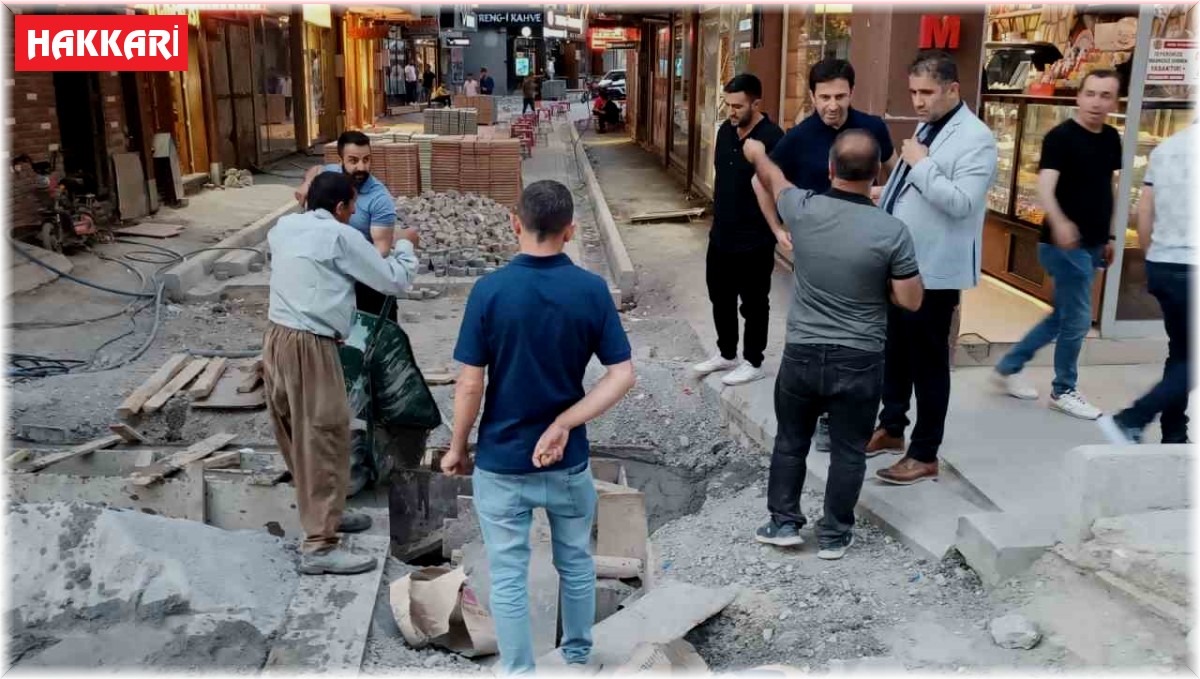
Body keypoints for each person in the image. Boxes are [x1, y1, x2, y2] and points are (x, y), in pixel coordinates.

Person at [441, 180, 635, 674]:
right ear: (571, 230)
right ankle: (577, 657)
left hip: (502, 462)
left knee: (508, 574)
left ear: (514, 223)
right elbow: (622, 375)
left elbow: (470, 384)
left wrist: (458, 447)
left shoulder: (489, 292)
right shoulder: (591, 291)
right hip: (566, 463)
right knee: (575, 562)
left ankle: (519, 671)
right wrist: (565, 422)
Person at [744, 130, 923, 558]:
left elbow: (772, 177)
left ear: (830, 169)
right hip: (860, 358)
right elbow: (911, 300)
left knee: (791, 440)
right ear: (877, 174)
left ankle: (784, 523)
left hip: (803, 353)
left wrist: (758, 153)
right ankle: (834, 535)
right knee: (848, 450)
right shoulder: (893, 231)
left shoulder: (802, 208)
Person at [264, 172, 419, 575]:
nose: (354, 214)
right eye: (351, 207)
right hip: (310, 345)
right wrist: (405, 244)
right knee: (326, 436)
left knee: (297, 433)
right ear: (340, 207)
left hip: (277, 338)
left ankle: (327, 511)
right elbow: (394, 280)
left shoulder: (284, 227)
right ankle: (319, 546)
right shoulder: (340, 235)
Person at [754, 57, 898, 450]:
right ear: (813, 96)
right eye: (824, 97)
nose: (832, 105)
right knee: (817, 334)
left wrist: (885, 201)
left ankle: (858, 414)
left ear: (852, 93)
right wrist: (777, 229)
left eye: (840, 96)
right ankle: (821, 416)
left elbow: (895, 171)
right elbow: (760, 180)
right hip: (817, 254)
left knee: (867, 333)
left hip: (866, 248)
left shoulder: (872, 127)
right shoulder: (800, 137)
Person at [870, 51, 997, 485]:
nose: (918, 101)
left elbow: (961, 202)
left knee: (927, 362)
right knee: (895, 351)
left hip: (934, 270)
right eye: (913, 92)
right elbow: (913, 185)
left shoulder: (976, 138)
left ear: (952, 89)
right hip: (902, 264)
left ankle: (924, 453)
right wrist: (884, 195)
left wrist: (921, 163)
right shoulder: (929, 125)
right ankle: (891, 427)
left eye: (926, 92)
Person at [991, 70, 1123, 421]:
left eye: (1105, 95)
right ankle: (1063, 390)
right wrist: (1061, 222)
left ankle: (1010, 364)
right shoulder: (1060, 137)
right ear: (1078, 97)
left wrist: (1111, 235)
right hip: (1062, 245)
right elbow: (1045, 186)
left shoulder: (1112, 137)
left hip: (1093, 242)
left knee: (1063, 315)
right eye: (1090, 93)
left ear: (1115, 101)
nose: (1096, 102)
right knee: (1077, 319)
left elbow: (1107, 186)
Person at [1099, 123, 1195, 445]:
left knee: (1183, 353)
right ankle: (1132, 419)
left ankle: (1175, 433)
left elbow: (1144, 210)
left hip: (1164, 264)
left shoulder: (1167, 148)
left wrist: (1152, 257)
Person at [692, 74, 785, 386]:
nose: (731, 111)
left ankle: (753, 360)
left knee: (754, 303)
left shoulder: (773, 138)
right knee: (720, 297)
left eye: (738, 106)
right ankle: (727, 353)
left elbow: (777, 187)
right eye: (728, 104)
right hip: (721, 235)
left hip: (755, 239)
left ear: (756, 104)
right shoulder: (725, 131)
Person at [295, 131, 413, 322]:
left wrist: (344, 268)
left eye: (366, 160)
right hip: (329, 279)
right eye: (353, 160)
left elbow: (381, 251)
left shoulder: (379, 198)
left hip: (366, 280)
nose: (361, 167)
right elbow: (317, 169)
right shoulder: (331, 175)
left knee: (374, 334)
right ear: (340, 161)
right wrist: (307, 183)